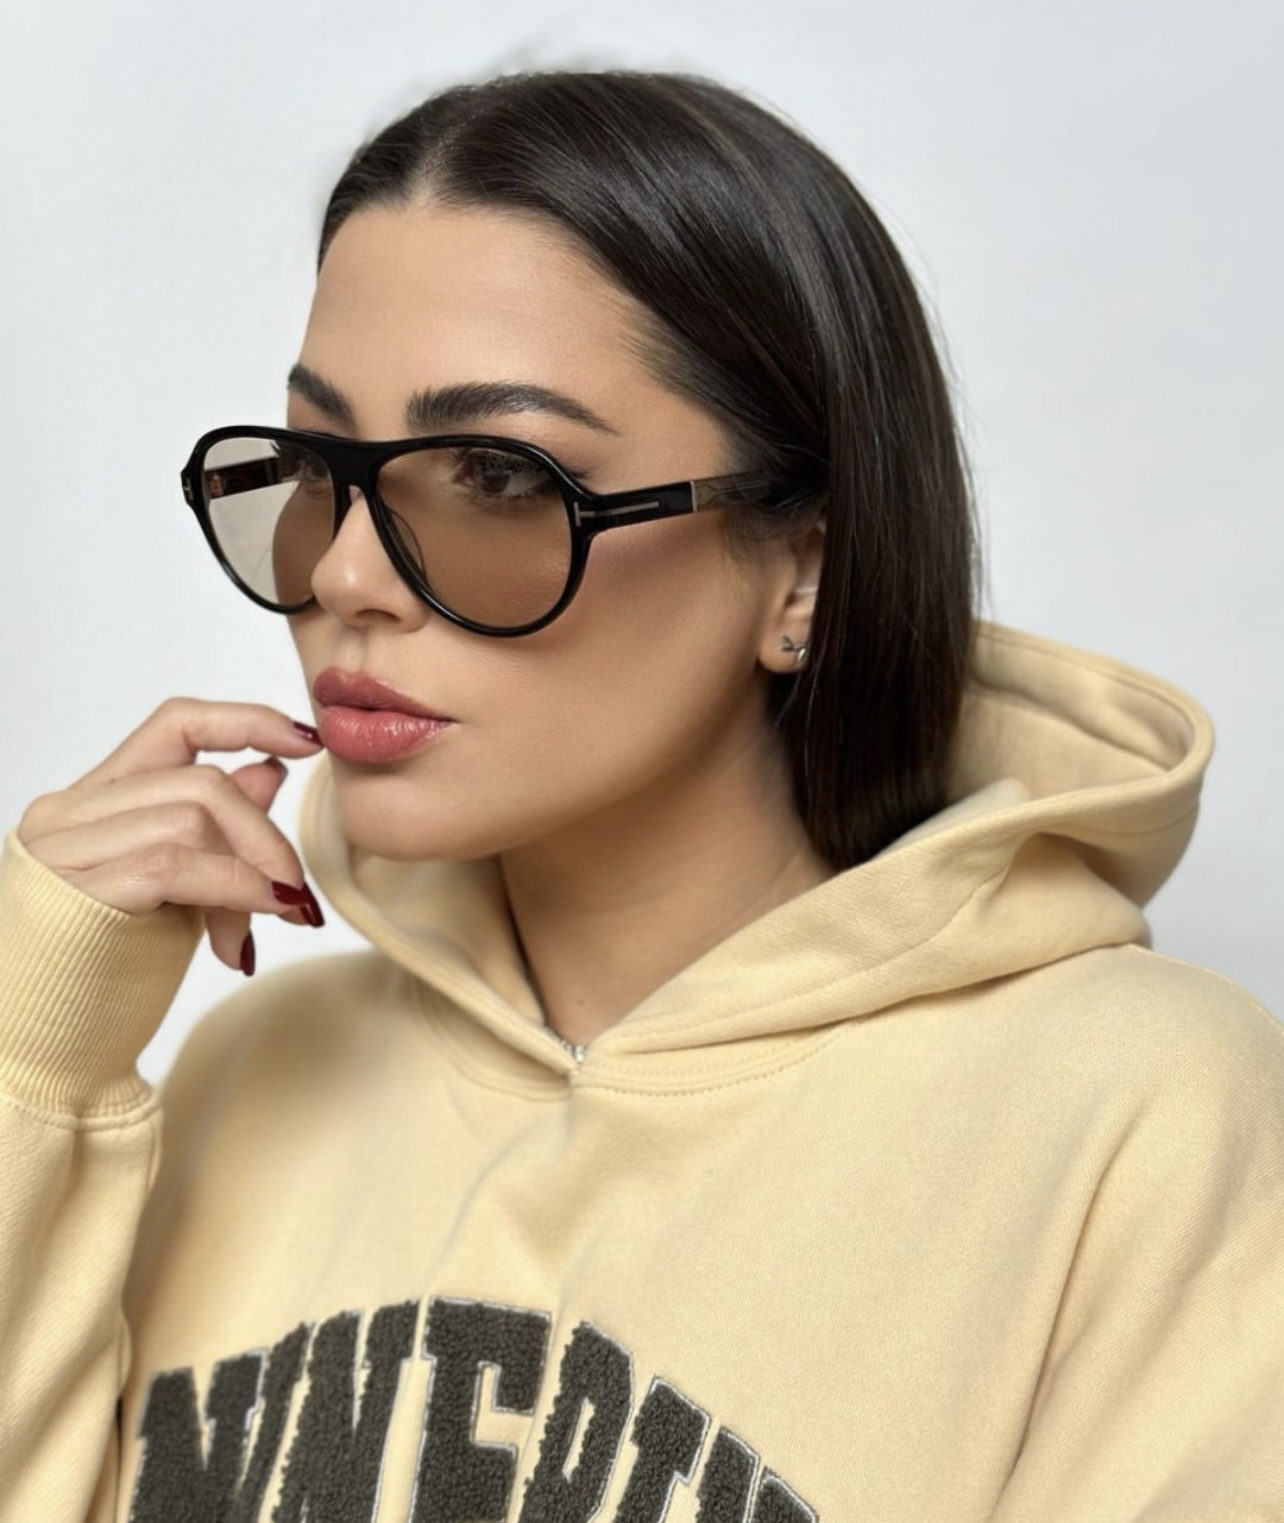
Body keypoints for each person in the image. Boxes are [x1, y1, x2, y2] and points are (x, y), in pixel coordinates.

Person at [1, 69, 1281, 1523]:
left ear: (804, 568)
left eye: (495, 476)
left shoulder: (1138, 1116)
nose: (346, 575)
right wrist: (33, 1053)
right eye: (315, 468)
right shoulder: (257, 1071)